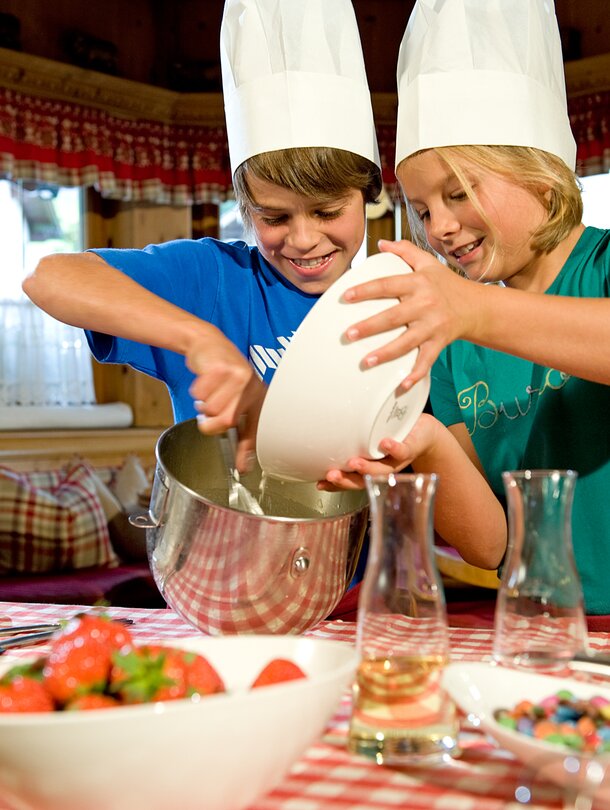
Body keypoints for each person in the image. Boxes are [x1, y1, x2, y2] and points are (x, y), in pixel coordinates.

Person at [320, 0, 610, 615]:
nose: (441, 228)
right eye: (422, 210)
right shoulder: (451, 339)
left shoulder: (599, 268)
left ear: (539, 172)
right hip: (539, 632)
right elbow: (489, 545)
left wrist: (470, 309)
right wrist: (420, 442)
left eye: (459, 192)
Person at [21, 0, 382, 472]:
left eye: (327, 211)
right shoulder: (214, 280)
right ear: (246, 209)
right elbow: (49, 277)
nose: (303, 239)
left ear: (368, 194)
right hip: (217, 544)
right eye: (274, 218)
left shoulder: (393, 303)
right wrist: (199, 338)